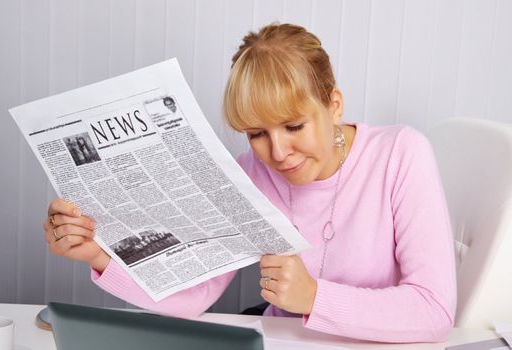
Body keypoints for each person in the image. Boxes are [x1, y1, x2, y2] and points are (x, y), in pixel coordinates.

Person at [43, 23, 456, 343]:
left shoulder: (401, 153)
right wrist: (99, 256)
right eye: (257, 134)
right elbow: (195, 295)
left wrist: (314, 298)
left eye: (294, 125)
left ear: (333, 105)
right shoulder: (252, 175)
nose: (278, 153)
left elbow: (434, 310)